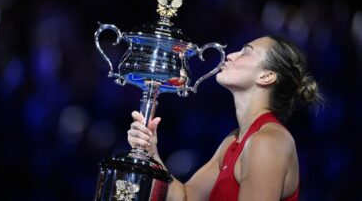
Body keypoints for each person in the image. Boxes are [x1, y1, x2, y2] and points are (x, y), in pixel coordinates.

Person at [127, 36, 322, 201]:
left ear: (266, 76)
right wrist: (151, 153)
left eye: (246, 52)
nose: (230, 55)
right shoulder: (233, 140)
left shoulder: (267, 142)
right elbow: (187, 196)